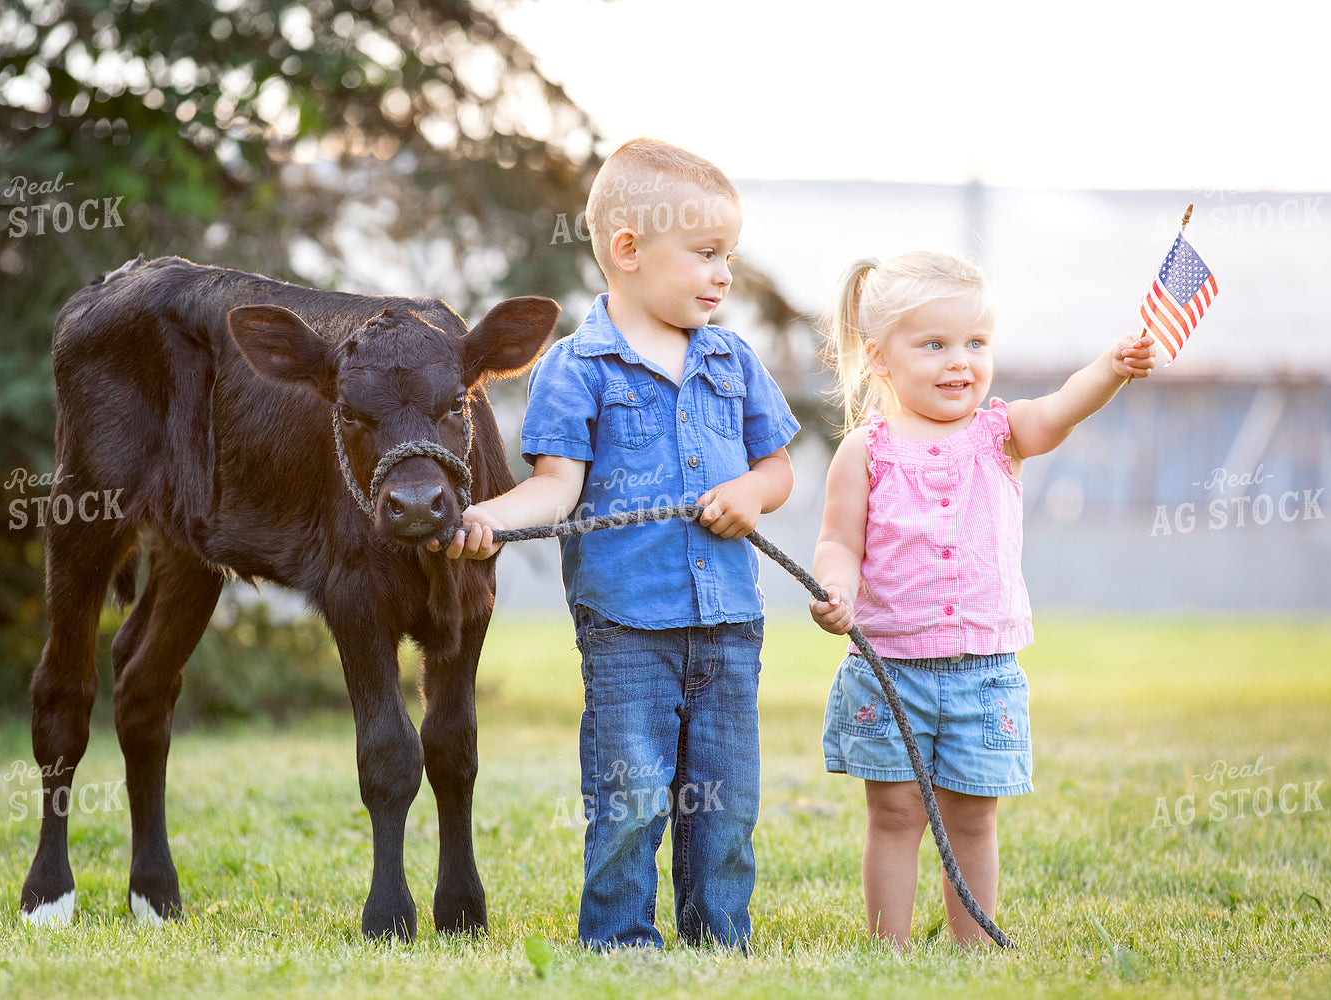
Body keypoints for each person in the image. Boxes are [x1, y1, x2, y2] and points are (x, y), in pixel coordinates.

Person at [436, 137, 799, 950]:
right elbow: (555, 488)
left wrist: (751, 494)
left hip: (729, 623)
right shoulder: (576, 368)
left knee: (727, 803)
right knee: (630, 799)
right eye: (705, 253)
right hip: (629, 629)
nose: (724, 274)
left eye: (729, 255)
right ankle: (619, 942)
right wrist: (488, 518)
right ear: (629, 250)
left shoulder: (732, 360)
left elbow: (776, 469)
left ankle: (719, 941)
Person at [809, 251, 1156, 948]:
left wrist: (1111, 367)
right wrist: (836, 588)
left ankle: (972, 950)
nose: (959, 362)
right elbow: (838, 542)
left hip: (985, 673)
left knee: (972, 819)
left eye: (976, 343)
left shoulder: (1000, 434)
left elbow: (1062, 408)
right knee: (896, 816)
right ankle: (887, 949)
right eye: (934, 345)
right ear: (878, 357)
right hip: (891, 670)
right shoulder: (866, 450)